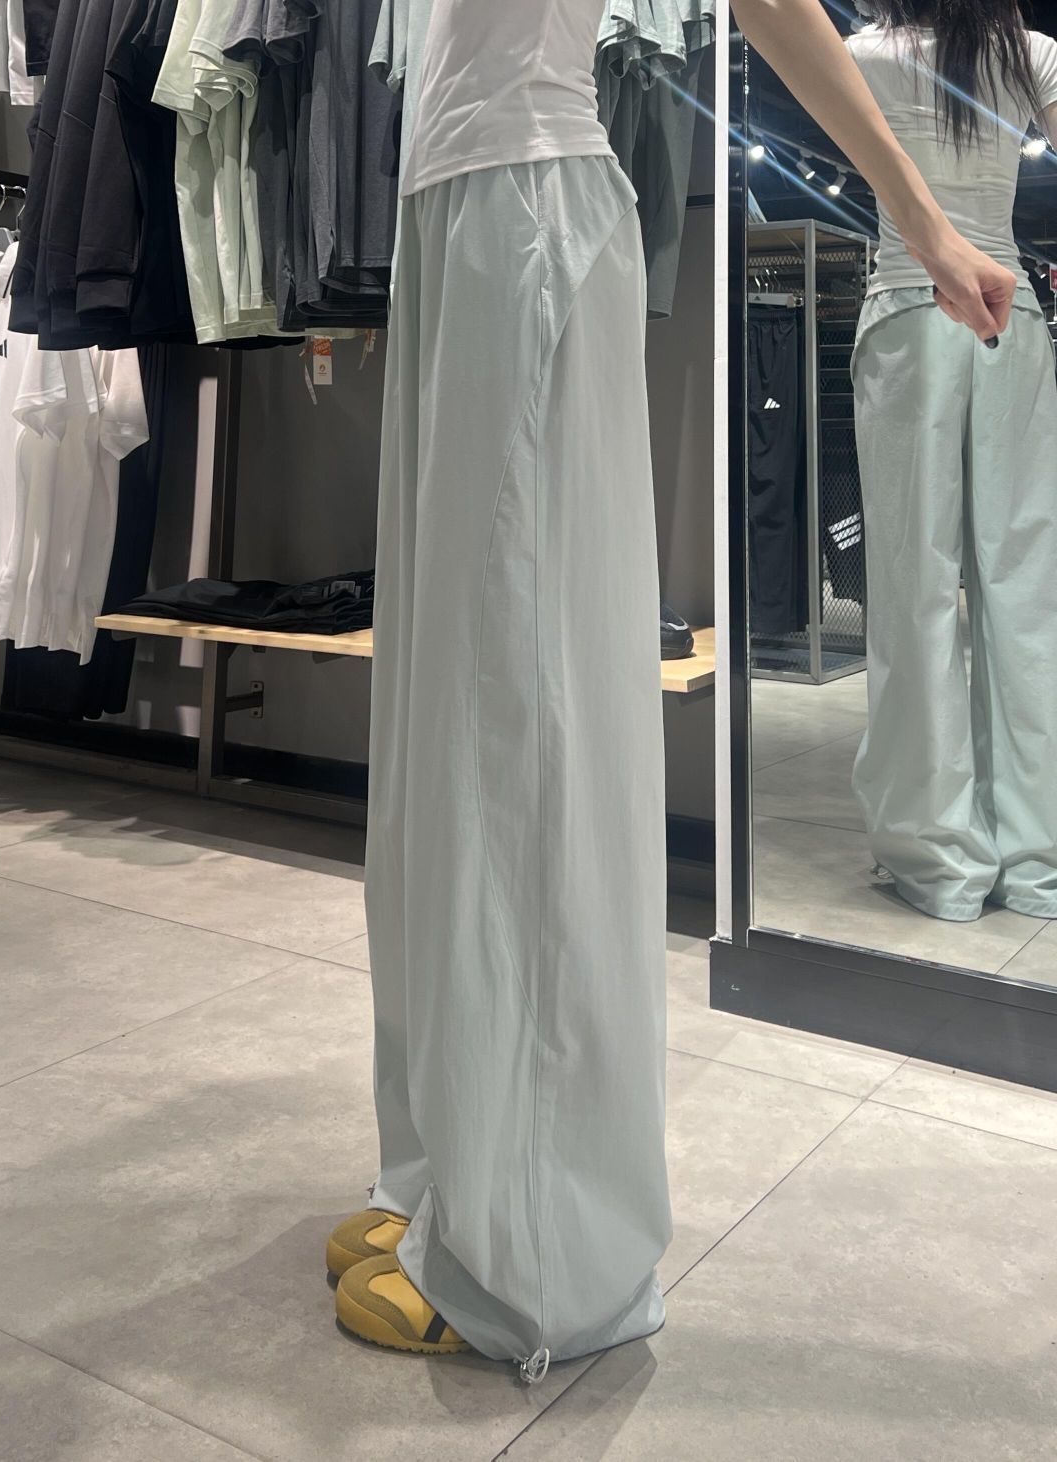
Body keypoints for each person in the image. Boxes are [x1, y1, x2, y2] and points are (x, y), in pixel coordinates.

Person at [326, 0, 1024, 1376]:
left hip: (528, 198)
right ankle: (445, 1167)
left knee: (521, 725)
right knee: (438, 729)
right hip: (443, 209)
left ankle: (536, 1255)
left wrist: (924, 222)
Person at [846, 1, 1057, 921]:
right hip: (1013, 313)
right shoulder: (1033, 52)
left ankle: (939, 862)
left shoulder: (862, 53)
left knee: (915, 589)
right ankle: (1038, 859)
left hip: (909, 308)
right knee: (1026, 591)